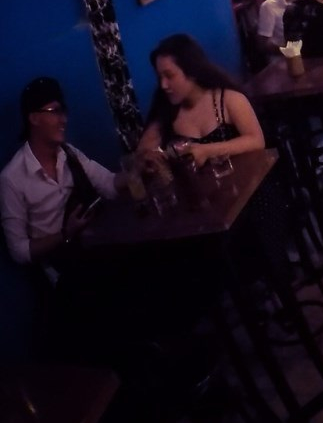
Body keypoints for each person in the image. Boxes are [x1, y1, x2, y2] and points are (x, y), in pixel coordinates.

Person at [1, 77, 123, 266]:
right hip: (57, 269)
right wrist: (66, 233)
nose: (63, 120)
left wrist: (136, 171)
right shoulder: (12, 178)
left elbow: (108, 184)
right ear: (34, 118)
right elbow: (19, 251)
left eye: (63, 111)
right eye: (54, 112)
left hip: (89, 250)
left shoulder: (69, 153)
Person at [138, 34, 268, 169]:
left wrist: (207, 151)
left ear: (192, 71)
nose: (163, 85)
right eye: (160, 78)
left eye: (169, 76)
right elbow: (142, 154)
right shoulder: (166, 111)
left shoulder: (229, 100)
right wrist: (148, 158)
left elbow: (257, 141)